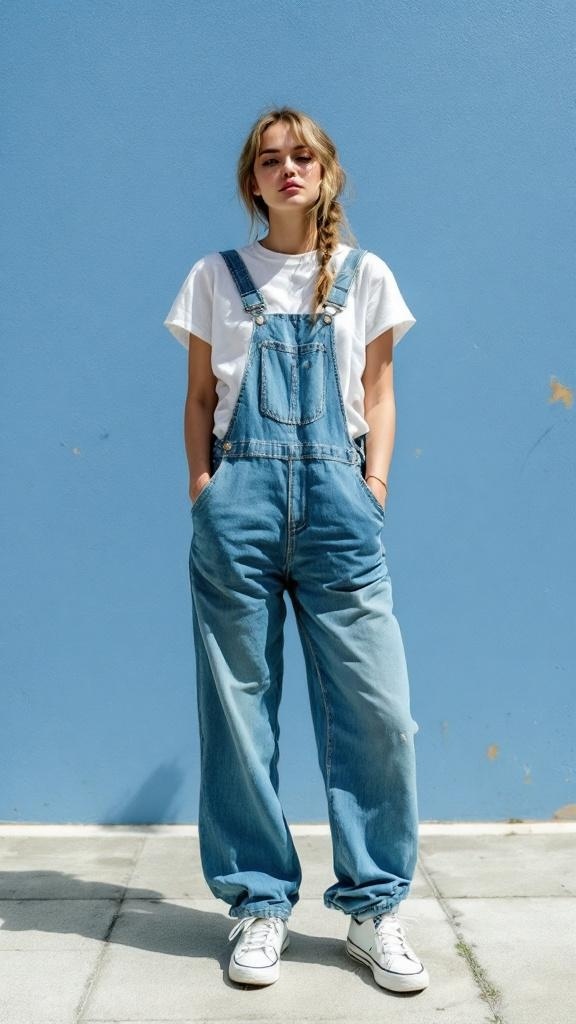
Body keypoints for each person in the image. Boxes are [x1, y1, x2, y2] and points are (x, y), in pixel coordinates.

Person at [163, 106, 429, 994]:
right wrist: (205, 494)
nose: (288, 169)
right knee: (239, 712)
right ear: (252, 180)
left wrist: (375, 488)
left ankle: (372, 907)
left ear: (327, 172)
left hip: (340, 503)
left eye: (302, 156)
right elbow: (200, 398)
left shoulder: (365, 275)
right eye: (271, 159)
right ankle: (259, 904)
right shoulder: (215, 275)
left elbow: (380, 394)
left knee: (378, 711)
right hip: (238, 505)